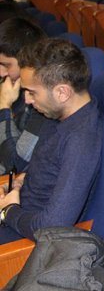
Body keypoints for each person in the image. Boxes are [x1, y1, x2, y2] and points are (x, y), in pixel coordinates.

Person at [0, 38, 101, 244]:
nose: (27, 100)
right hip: (20, 209)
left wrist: (8, 211)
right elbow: (48, 167)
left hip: (24, 237)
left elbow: (53, 226)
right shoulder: (59, 115)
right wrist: (20, 182)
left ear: (62, 92)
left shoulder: (81, 140)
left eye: (32, 92)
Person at [0, 18, 53, 175]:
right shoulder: (9, 82)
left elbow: (16, 163)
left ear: (27, 63)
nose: (1, 72)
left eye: (6, 65)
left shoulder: (41, 102)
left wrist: (4, 108)